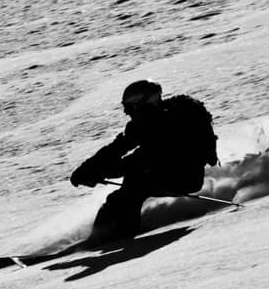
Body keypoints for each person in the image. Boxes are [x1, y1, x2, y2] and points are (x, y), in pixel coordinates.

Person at [70, 80, 219, 242]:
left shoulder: (167, 124)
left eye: (129, 107)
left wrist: (98, 172)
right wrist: (87, 170)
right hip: (169, 174)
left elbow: (142, 161)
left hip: (184, 178)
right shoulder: (146, 123)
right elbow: (117, 148)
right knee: (129, 187)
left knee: (132, 188)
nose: (127, 113)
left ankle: (118, 234)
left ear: (143, 104)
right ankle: (105, 233)